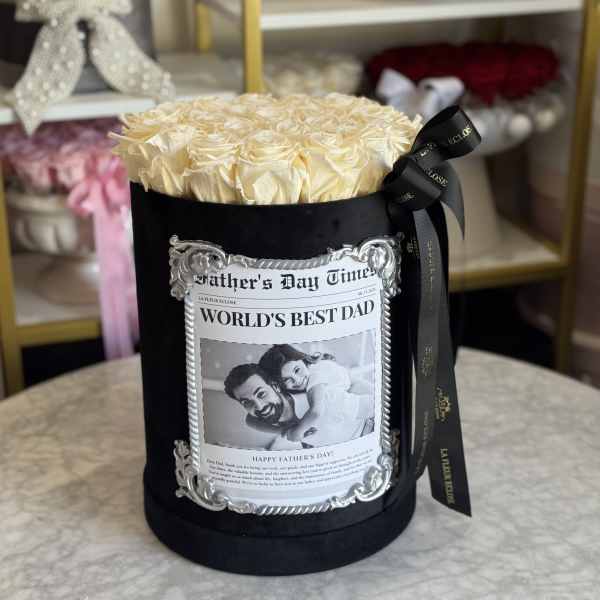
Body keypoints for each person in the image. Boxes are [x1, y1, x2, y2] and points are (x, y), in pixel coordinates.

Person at [258, 344, 375, 447]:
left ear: (302, 359)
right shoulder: (312, 379)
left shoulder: (316, 373)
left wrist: (296, 432)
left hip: (367, 423)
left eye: (297, 370)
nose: (297, 380)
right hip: (360, 431)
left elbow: (316, 411)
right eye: (287, 380)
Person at [223, 363, 312, 449]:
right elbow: (250, 421)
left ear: (276, 386)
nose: (259, 407)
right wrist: (285, 431)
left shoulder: (309, 402)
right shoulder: (254, 420)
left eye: (261, 394)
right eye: (247, 402)